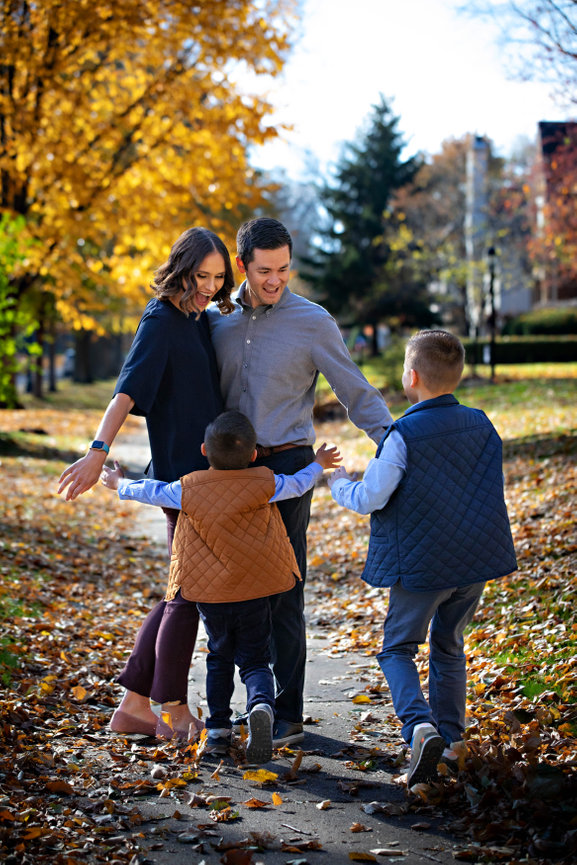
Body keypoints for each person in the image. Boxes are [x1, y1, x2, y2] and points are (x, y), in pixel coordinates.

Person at [208, 217, 394, 747]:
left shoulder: (312, 322)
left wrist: (399, 443)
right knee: (229, 594)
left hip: (289, 462)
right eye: (264, 270)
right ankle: (247, 704)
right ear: (242, 266)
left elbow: (355, 390)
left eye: (284, 269)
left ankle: (286, 714)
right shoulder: (215, 319)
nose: (275, 280)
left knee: (285, 590)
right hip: (229, 473)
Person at [58, 227, 235, 738]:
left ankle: (135, 706)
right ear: (181, 269)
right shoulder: (161, 319)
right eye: (201, 276)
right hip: (184, 479)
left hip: (207, 475)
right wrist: (97, 451)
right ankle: (172, 709)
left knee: (181, 588)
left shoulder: (198, 319)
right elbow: (126, 393)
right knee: (189, 592)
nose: (208, 286)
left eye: (218, 277)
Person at [327, 330, 517, 787]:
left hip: (422, 564)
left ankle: (419, 727)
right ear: (458, 374)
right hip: (474, 561)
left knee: (397, 647)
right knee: (449, 644)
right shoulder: (481, 423)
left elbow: (373, 496)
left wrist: (338, 483)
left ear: (411, 376)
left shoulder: (402, 434)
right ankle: (452, 741)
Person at [100, 410, 342, 763]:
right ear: (255, 454)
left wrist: (117, 483)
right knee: (256, 660)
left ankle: (216, 732)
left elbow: (150, 491)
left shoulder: (188, 488)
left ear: (202, 450)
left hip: (211, 596)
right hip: (256, 591)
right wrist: (318, 463)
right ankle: (262, 704)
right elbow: (298, 483)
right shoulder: (264, 481)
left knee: (219, 658)